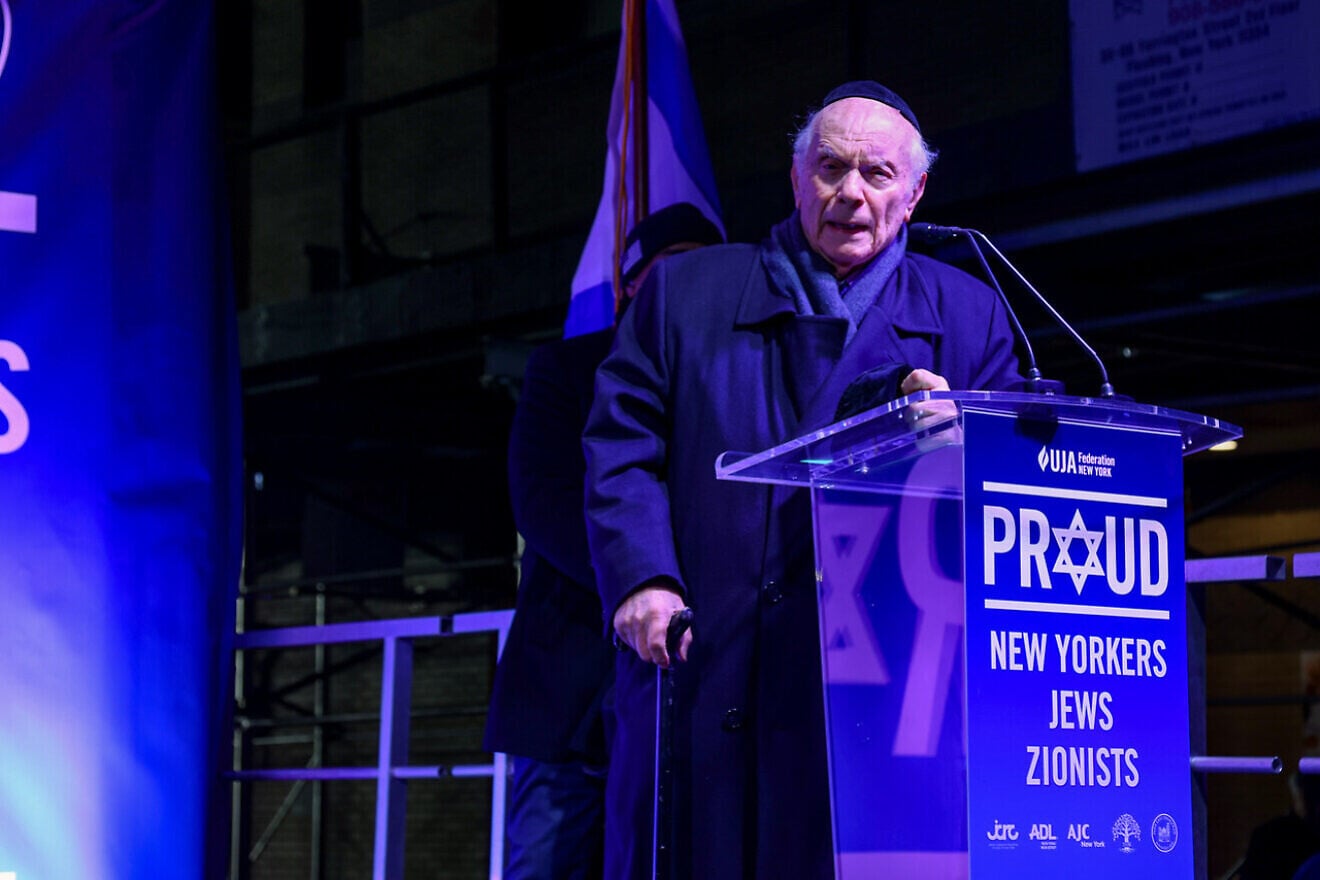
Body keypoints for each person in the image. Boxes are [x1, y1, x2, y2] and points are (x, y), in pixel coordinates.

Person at [583, 81, 1026, 878]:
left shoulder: (971, 316)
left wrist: (963, 444)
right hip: (705, 666)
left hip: (883, 713)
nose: (850, 192)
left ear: (916, 191)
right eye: (830, 168)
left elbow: (1007, 492)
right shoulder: (685, 296)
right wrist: (641, 579)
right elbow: (620, 443)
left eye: (878, 174)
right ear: (796, 180)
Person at [483, 202, 724, 880]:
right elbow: (543, 503)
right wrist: (644, 576)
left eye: (705, 271)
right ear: (630, 285)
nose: (688, 288)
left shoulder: (731, 383)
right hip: (570, 693)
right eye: (671, 272)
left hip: (687, 690)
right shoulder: (565, 370)